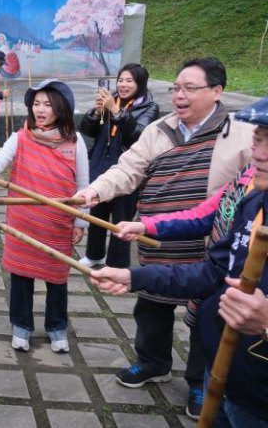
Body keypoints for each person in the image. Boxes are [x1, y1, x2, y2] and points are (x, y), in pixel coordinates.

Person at [75, 57, 253, 419]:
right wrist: (93, 192)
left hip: (208, 245)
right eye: (176, 88)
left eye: (190, 88)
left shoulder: (243, 135)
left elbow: (245, 192)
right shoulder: (159, 130)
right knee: (151, 305)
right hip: (156, 236)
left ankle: (200, 381)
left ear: (217, 91)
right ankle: (152, 362)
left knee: (207, 315)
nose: (179, 95)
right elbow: (127, 169)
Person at [0, 79, 89, 353]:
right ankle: (21, 326)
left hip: (58, 224)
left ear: (61, 108)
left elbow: (83, 185)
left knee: (57, 278)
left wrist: (80, 221)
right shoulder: (21, 137)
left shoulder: (75, 141)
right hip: (23, 222)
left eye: (47, 104)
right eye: (36, 104)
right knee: (21, 277)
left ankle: (57, 327)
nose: (40, 110)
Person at [79, 64, 160, 268]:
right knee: (97, 214)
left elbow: (138, 135)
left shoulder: (149, 107)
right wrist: (97, 113)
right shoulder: (111, 100)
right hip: (101, 165)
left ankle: (117, 264)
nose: (123, 85)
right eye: (120, 80)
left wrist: (116, 111)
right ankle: (94, 255)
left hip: (129, 171)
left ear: (140, 83)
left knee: (121, 221)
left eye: (129, 81)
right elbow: (88, 130)